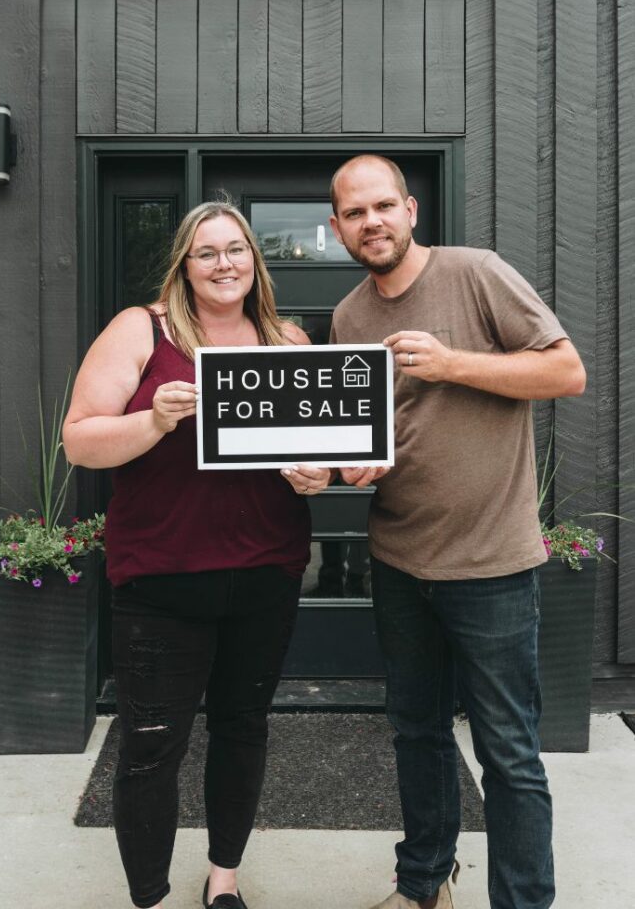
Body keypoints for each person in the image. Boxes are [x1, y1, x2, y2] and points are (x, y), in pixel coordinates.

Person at [327, 155, 586, 909]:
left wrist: (449, 364)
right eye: (353, 213)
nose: (370, 222)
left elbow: (563, 371)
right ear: (336, 226)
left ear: (410, 210)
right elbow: (369, 439)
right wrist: (352, 470)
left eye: (382, 206)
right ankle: (422, 887)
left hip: (491, 565)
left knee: (508, 755)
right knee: (416, 734)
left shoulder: (476, 274)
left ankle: (522, 901)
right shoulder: (347, 317)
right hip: (400, 560)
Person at [63, 201, 330, 909]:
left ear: (254, 260)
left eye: (235, 249)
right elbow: (81, 440)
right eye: (206, 252)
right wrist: (152, 420)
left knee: (241, 730)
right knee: (152, 744)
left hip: (265, 570)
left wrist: (319, 474)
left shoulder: (287, 342)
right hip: (162, 578)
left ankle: (223, 880)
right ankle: (149, 896)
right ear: (185, 263)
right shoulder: (141, 330)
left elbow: (320, 456)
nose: (224, 264)